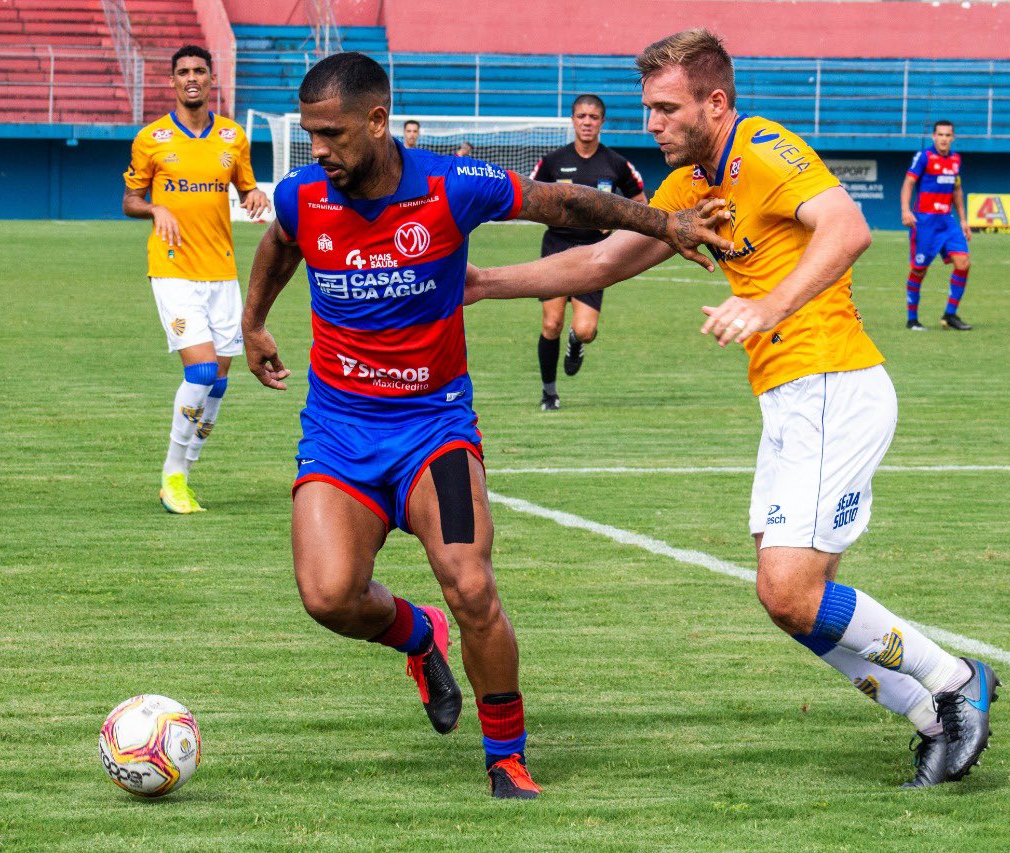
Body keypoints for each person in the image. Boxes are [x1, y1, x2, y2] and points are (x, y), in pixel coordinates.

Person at [464, 29, 999, 789]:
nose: (650, 123)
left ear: (715, 103)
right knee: (789, 602)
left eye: (665, 108)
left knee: (789, 588)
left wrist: (767, 306)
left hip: (832, 383)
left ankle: (955, 682)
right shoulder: (687, 189)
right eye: (646, 108)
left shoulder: (766, 149)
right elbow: (596, 261)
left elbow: (847, 228)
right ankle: (932, 716)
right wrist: (485, 283)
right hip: (790, 399)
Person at [242, 52, 727, 799]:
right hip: (338, 433)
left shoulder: (449, 185)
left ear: (377, 121)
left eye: (333, 134)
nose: (321, 151)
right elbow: (280, 244)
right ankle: (416, 635)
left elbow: (563, 206)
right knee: (329, 596)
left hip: (434, 429)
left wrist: (664, 220)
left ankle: (506, 754)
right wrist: (254, 324)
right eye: (311, 136)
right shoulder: (302, 194)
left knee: (471, 583)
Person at [123, 44, 272, 513]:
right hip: (173, 270)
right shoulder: (151, 138)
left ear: (211, 80)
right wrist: (155, 206)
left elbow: (246, 186)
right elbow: (129, 200)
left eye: (199, 71)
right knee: (202, 371)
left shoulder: (232, 137)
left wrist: (254, 198)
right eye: (183, 71)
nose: (192, 78)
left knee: (220, 382)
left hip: (221, 272)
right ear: (172, 81)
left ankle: (185, 472)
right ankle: (172, 476)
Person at [529, 95, 646, 410]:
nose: (587, 122)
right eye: (581, 116)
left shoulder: (616, 163)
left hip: (594, 253)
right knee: (551, 323)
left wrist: (619, 223)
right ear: (572, 119)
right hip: (556, 248)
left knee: (586, 329)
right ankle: (549, 393)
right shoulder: (552, 161)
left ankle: (576, 343)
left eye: (593, 117)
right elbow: (530, 200)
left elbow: (641, 202)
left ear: (602, 122)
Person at [900, 121, 973, 331]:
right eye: (940, 134)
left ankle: (950, 315)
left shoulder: (955, 160)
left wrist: (963, 220)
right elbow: (908, 183)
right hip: (925, 222)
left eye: (948, 135)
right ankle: (912, 319)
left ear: (953, 138)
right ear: (934, 136)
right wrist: (906, 210)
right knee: (919, 269)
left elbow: (956, 191)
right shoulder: (924, 157)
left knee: (963, 262)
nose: (943, 138)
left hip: (947, 221)